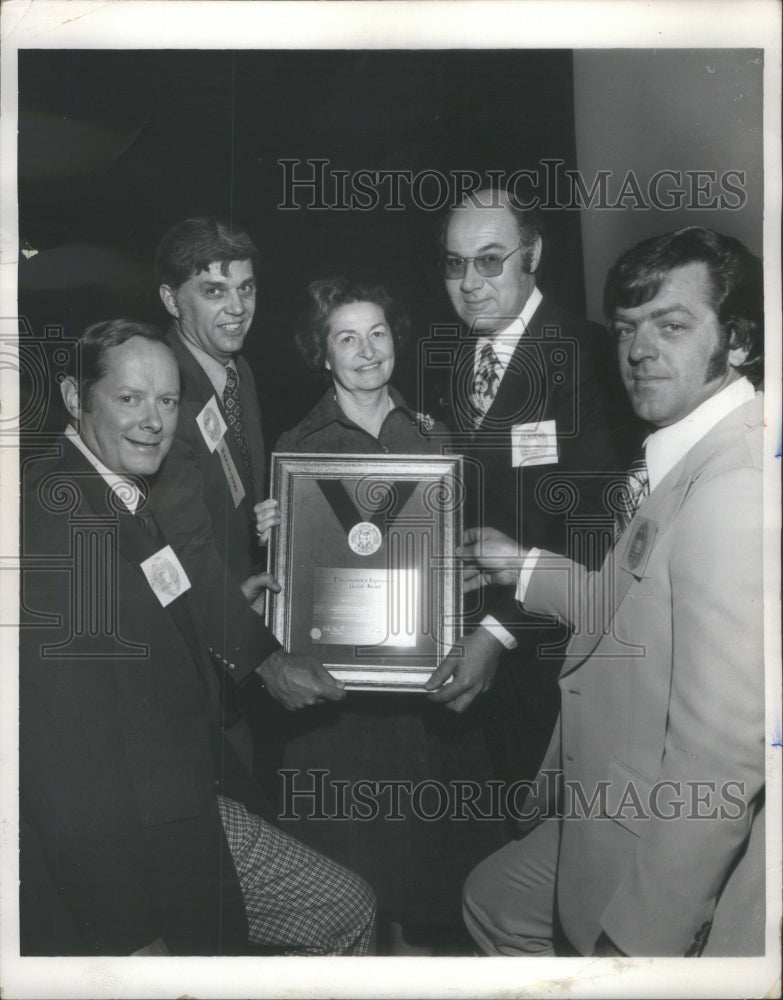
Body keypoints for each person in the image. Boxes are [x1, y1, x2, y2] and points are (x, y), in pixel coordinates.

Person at [19, 319, 375, 956]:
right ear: (75, 399)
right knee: (342, 910)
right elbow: (64, 763)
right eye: (129, 399)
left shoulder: (115, 491)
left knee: (343, 907)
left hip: (183, 801)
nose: (154, 421)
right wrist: (129, 933)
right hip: (136, 853)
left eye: (166, 401)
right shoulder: (59, 520)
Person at [459, 227, 765, 956]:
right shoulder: (693, 453)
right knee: (493, 899)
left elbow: (721, 761)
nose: (637, 350)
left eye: (671, 326)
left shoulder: (734, 489)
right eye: (627, 328)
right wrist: (524, 567)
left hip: (658, 822)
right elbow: (643, 611)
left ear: (740, 341)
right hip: (612, 794)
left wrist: (634, 946)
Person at [274, 277, 507, 953]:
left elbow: (459, 540)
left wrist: (465, 568)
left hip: (426, 696)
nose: (365, 350)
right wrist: (276, 528)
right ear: (322, 354)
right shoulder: (297, 445)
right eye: (345, 338)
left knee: (437, 879)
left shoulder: (436, 434)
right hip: (342, 710)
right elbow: (291, 578)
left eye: (376, 333)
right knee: (358, 884)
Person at [425, 187, 636, 797]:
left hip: (554, 656)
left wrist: (497, 632)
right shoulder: (448, 360)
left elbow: (593, 527)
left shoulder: (594, 356)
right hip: (458, 658)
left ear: (533, 253)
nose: (469, 282)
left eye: (490, 260)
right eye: (455, 262)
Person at [151, 218, 345, 780]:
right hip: (199, 658)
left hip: (240, 631)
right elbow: (184, 549)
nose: (237, 307)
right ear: (171, 299)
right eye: (214, 291)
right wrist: (266, 660)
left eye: (247, 287)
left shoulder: (237, 371)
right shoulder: (166, 392)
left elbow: (231, 500)